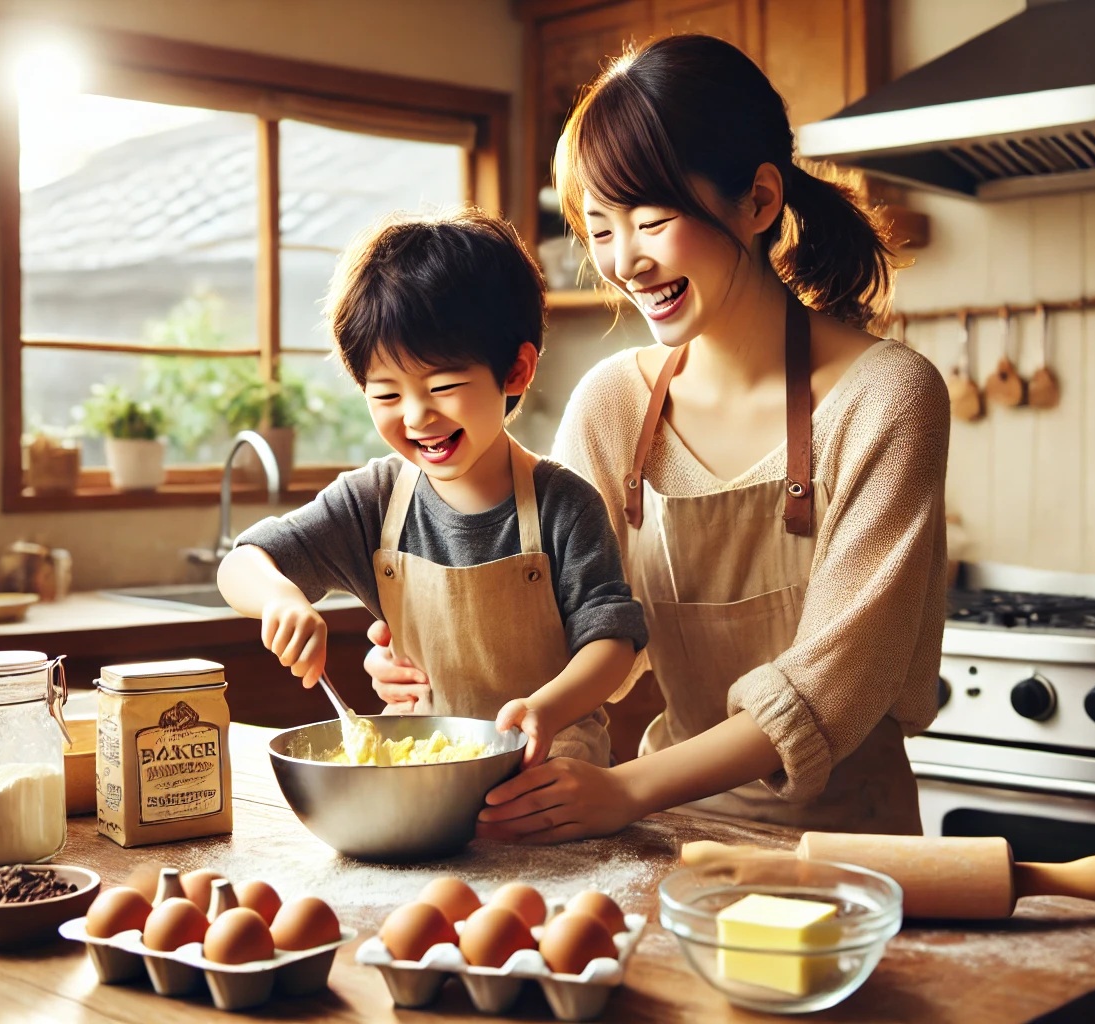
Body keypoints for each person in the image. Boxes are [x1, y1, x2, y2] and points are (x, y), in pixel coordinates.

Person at [367, 34, 949, 839]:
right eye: (601, 229)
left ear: (759, 200)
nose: (625, 261)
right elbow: (548, 628)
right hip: (668, 840)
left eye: (650, 219)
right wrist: (429, 656)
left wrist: (628, 790)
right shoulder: (615, 403)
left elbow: (830, 686)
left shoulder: (887, 396)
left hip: (849, 847)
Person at [217, 210, 647, 767]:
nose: (418, 416)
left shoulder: (565, 505)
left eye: (443, 386)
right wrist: (280, 598)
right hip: (421, 774)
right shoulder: (372, 502)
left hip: (548, 771)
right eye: (387, 395)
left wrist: (546, 708)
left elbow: (612, 642)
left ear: (516, 371)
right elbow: (242, 563)